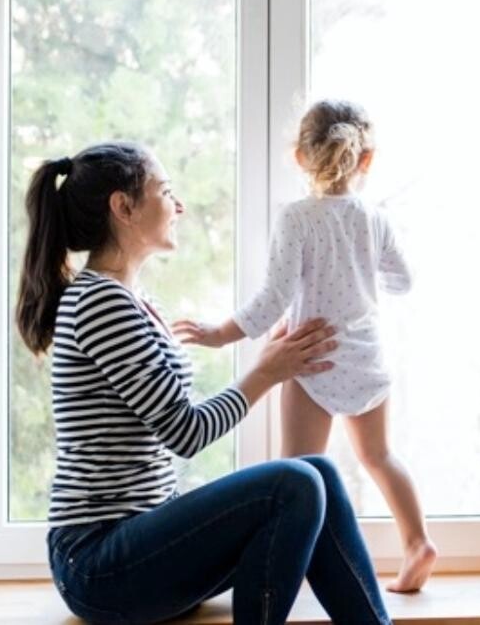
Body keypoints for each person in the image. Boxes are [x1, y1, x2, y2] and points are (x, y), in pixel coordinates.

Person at [16, 141, 392, 625]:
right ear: (123, 207)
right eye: (166, 191)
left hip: (137, 545)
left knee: (317, 470)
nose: (179, 205)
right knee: (294, 482)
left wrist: (271, 364)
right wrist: (266, 374)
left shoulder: (132, 300)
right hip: (98, 564)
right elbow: (186, 432)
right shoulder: (99, 304)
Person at [172, 100, 437, 593]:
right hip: (366, 356)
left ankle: (296, 571)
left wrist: (217, 333)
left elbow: (272, 300)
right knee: (379, 457)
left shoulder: (296, 219)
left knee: (297, 476)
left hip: (311, 357)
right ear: (366, 159)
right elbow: (403, 280)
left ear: (299, 157)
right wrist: (360, 271)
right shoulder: (374, 219)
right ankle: (418, 542)